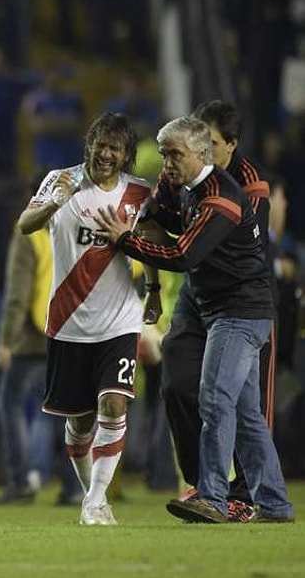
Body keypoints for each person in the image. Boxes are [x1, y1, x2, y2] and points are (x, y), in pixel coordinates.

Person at [95, 116, 295, 524]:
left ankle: (214, 497)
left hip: (240, 309)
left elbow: (183, 256)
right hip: (211, 304)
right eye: (164, 152)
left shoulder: (222, 196)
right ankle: (274, 503)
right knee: (244, 413)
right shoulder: (179, 186)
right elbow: (153, 219)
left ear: (203, 155)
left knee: (215, 398)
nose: (166, 163)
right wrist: (151, 287)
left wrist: (124, 240)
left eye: (175, 154)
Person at [17, 112, 158, 525]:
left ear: (126, 154)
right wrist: (53, 205)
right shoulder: (61, 179)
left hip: (119, 320)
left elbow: (146, 240)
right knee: (79, 424)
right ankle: (90, 495)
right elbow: (25, 224)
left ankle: (96, 500)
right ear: (90, 144)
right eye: (101, 144)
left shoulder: (139, 193)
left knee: (113, 405)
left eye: (116, 147)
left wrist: (151, 291)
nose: (107, 153)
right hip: (69, 322)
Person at [157, 101, 276, 521]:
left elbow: (197, 250)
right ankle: (262, 499)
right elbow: (163, 213)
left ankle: (227, 494)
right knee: (187, 387)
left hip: (239, 299)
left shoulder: (244, 188)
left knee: (231, 402)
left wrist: (127, 241)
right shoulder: (182, 175)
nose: (200, 149)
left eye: (209, 143)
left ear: (230, 145)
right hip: (203, 292)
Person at [0, 185, 77, 505]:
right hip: (66, 333)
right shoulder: (69, 230)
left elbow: (17, 294)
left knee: (9, 403)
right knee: (64, 412)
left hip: (30, 339)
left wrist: (5, 340)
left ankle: (20, 483)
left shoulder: (27, 233)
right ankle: (73, 486)